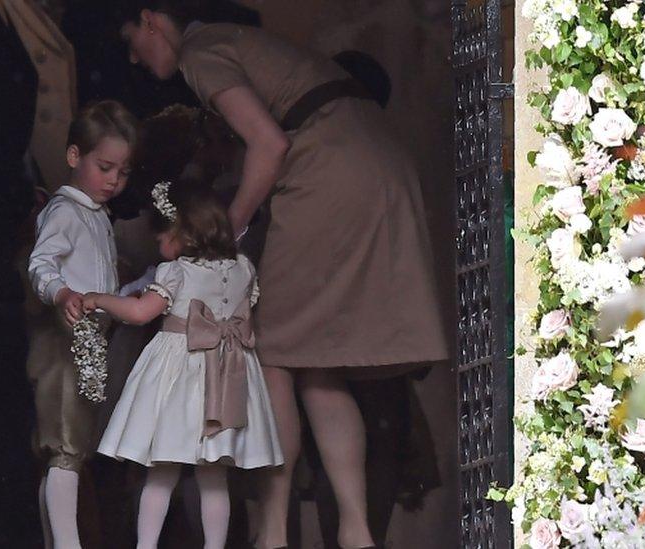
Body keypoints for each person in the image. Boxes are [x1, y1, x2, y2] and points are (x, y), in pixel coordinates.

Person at [113, 2, 448, 548]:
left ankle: (272, 531)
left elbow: (270, 144)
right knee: (317, 363)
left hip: (326, 172)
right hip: (376, 159)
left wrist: (223, 238)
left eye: (132, 42)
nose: (134, 57)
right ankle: (356, 532)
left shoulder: (201, 51)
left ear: (152, 20)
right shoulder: (233, 37)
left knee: (269, 350)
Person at [84, 181, 283, 549]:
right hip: (227, 377)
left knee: (161, 474)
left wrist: (101, 299)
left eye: (163, 235)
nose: (159, 244)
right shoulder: (243, 268)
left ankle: (146, 546)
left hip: (180, 378)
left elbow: (142, 312)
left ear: (184, 234)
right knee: (214, 479)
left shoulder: (177, 272)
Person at [27, 99, 137, 549]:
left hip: (91, 343)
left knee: (70, 448)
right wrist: (63, 293)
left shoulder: (94, 213)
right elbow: (40, 264)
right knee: (66, 447)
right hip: (66, 341)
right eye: (105, 166)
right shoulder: (65, 211)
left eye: (124, 172)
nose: (114, 180)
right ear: (75, 156)